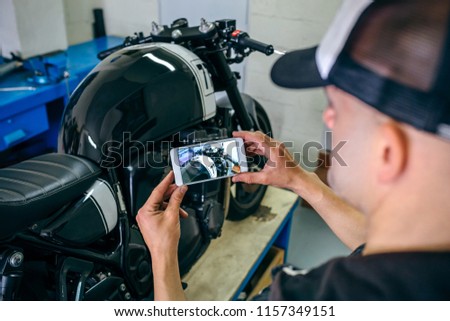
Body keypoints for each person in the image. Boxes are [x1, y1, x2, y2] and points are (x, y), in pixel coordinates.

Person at [136, 0, 450, 300]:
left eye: (335, 107)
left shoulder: (318, 297)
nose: (327, 118)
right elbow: (373, 247)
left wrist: (163, 255)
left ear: (388, 151)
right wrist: (298, 180)